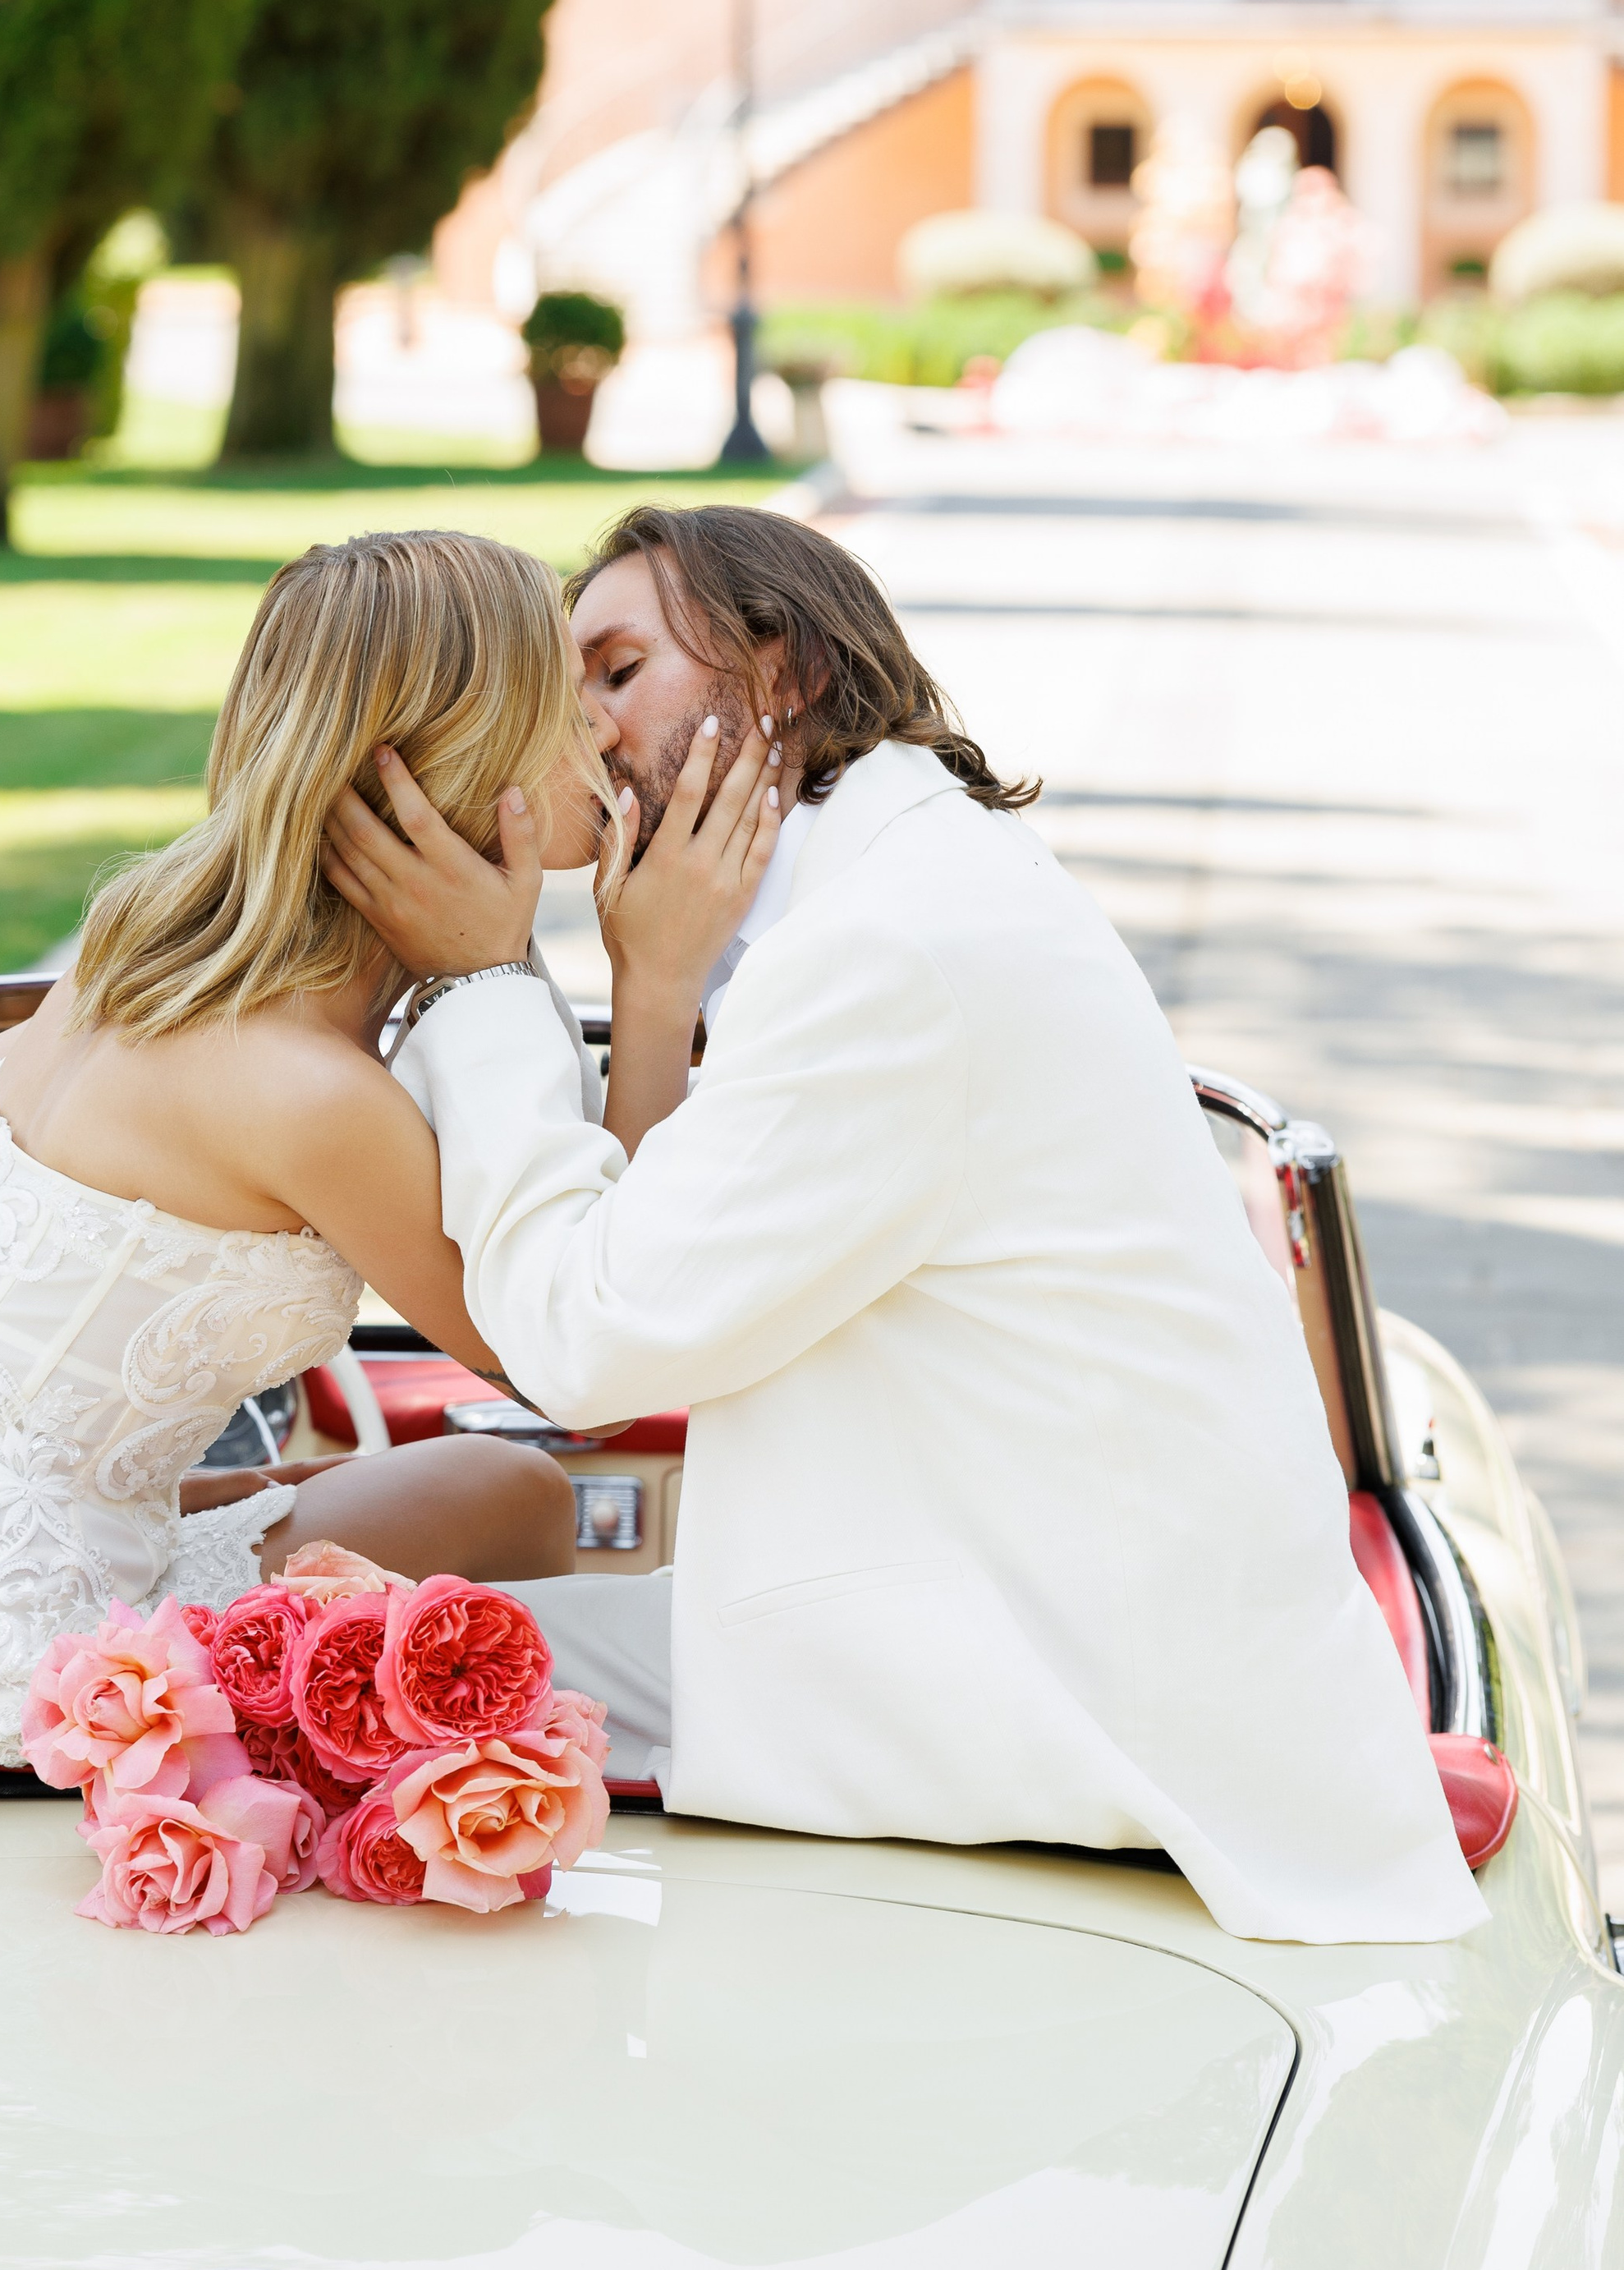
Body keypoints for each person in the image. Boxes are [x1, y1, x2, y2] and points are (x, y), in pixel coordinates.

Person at [322, 503, 1486, 1946]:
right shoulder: (907, 893)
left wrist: (481, 976)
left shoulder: (890, 952)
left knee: (347, 1686)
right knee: (394, 1661)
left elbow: (590, 1342)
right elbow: (663, 1271)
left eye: (619, 672)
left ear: (787, 670)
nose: (587, 735)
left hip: (1065, 1696)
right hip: (989, 1614)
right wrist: (655, 990)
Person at [0, 531, 624, 1775]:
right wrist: (640, 986)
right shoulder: (307, 1094)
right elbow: (588, 1355)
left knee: (508, 1496)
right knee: (521, 1503)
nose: (608, 738)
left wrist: (60, 1457)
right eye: (572, 704)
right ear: (461, 755)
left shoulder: (140, 957)